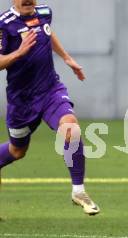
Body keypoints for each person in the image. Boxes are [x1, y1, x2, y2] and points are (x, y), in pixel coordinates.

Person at [0, 0, 99, 215]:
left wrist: (66, 57)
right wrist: (19, 52)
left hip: (50, 91)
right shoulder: (4, 24)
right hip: (21, 101)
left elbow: (48, 32)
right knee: (17, 151)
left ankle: (78, 190)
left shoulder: (44, 11)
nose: (28, 0)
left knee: (70, 128)